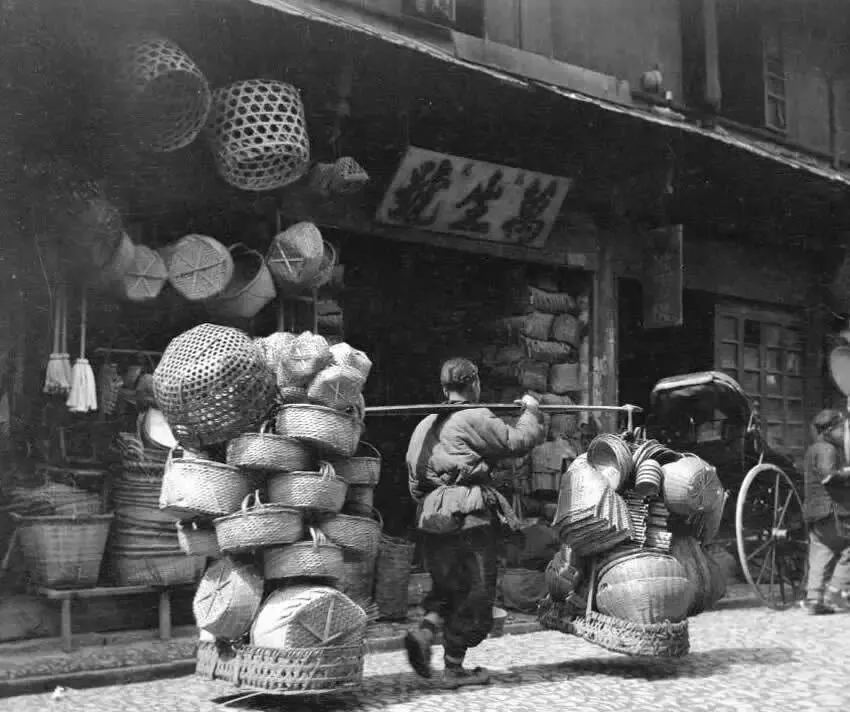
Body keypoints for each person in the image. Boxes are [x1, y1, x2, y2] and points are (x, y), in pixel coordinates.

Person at [403, 357, 545, 688]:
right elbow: (516, 441)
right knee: (477, 594)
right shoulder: (474, 416)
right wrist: (531, 411)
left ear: (445, 389)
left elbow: (414, 483)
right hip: (469, 519)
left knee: (447, 586)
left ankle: (424, 630)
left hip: (431, 518)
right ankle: (454, 668)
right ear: (474, 384)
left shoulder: (424, 425)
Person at [802, 408, 850, 614]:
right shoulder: (827, 449)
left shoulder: (813, 449)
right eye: (841, 429)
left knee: (821, 551)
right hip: (832, 511)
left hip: (814, 511)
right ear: (830, 430)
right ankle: (837, 590)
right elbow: (828, 476)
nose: (844, 433)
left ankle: (814, 599)